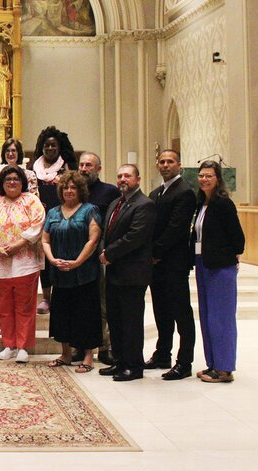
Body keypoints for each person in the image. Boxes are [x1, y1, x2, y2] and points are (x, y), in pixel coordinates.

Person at [98, 164, 156, 382]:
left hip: (132, 272)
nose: (123, 179)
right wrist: (104, 250)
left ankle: (133, 365)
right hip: (114, 271)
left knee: (131, 321)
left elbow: (135, 237)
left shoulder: (145, 204)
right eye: (120, 176)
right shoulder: (116, 203)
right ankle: (120, 361)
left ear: (138, 180)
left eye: (127, 176)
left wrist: (109, 254)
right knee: (115, 319)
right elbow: (106, 231)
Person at [41, 171, 102, 373]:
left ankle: (87, 356)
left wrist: (77, 262)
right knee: (61, 314)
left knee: (86, 314)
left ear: (80, 190)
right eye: (66, 187)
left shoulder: (89, 210)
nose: (69, 190)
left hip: (84, 272)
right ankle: (65, 354)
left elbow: (93, 240)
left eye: (73, 187)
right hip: (60, 272)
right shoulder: (53, 213)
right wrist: (51, 259)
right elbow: (45, 239)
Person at [0, 165, 46, 364]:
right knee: (4, 306)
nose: (12, 182)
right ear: (2, 183)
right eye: (8, 179)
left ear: (23, 182)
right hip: (1, 261)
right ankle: (9, 344)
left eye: (16, 179)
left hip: (25, 261)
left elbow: (38, 224)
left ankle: (23, 346)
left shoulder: (31, 201)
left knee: (25, 306)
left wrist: (19, 244)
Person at [192, 160, 245, 383]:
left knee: (221, 317)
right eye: (202, 175)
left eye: (209, 176)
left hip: (220, 267)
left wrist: (229, 257)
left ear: (218, 179)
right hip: (203, 263)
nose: (204, 179)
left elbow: (238, 240)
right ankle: (212, 363)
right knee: (207, 316)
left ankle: (224, 369)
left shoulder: (224, 204)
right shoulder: (201, 204)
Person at [146, 149, 197, 380]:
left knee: (180, 313)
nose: (165, 165)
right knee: (161, 311)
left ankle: (184, 361)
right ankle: (162, 353)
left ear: (179, 165)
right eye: (162, 162)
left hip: (174, 262)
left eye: (170, 162)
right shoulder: (156, 192)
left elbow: (176, 228)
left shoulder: (185, 192)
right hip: (156, 263)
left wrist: (156, 252)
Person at [77, 152, 121, 366]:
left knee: (102, 303)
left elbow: (115, 221)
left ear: (98, 169)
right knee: (81, 302)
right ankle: (79, 344)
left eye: (89, 165)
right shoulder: (74, 190)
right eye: (82, 165)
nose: (84, 169)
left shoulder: (110, 192)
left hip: (100, 253)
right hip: (76, 254)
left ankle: (105, 347)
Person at [30, 126, 77, 315]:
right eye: (46, 145)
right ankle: (46, 298)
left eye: (53, 145)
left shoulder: (67, 167)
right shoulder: (33, 168)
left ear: (59, 147)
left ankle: (61, 296)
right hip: (40, 220)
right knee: (45, 262)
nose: (50, 148)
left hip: (62, 219)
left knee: (60, 256)